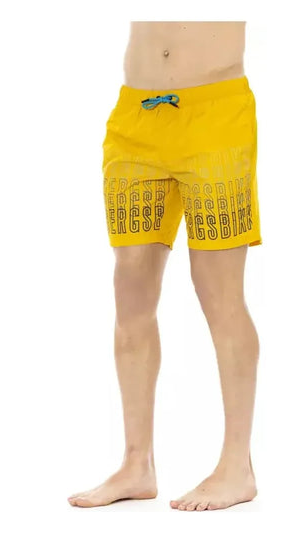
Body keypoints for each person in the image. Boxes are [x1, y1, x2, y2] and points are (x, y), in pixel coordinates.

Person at [68, 20, 262, 512]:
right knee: (130, 286)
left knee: (217, 289)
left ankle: (237, 467)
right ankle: (137, 464)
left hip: (215, 116)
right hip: (136, 116)